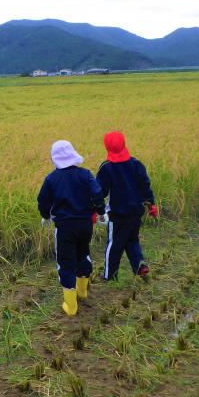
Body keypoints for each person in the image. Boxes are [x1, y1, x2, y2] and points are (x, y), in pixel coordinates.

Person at [37, 140, 106, 316]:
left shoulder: (51, 179)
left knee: (66, 262)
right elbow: (97, 193)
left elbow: (43, 201)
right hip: (85, 226)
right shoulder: (85, 174)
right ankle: (82, 292)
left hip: (65, 227)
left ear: (55, 158)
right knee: (83, 254)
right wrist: (100, 211)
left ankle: (71, 306)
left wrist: (45, 216)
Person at [96, 132, 158, 281]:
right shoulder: (137, 164)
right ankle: (139, 265)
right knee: (132, 239)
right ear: (124, 144)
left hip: (117, 215)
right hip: (136, 212)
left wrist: (97, 209)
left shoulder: (106, 168)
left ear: (107, 147)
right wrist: (152, 205)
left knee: (115, 245)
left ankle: (109, 275)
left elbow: (100, 192)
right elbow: (145, 186)